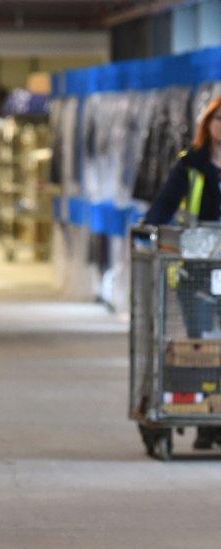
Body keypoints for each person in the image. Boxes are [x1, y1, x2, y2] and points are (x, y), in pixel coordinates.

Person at [144, 96, 221, 451]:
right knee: (201, 344)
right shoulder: (190, 166)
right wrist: (149, 230)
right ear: (207, 124)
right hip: (196, 271)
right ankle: (206, 419)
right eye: (217, 118)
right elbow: (164, 204)